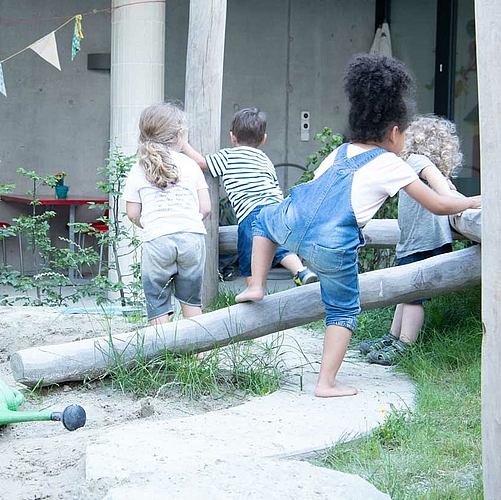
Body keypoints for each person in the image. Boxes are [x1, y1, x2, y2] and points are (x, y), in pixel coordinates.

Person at [234, 53, 481, 397]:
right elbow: (438, 204)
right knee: (342, 309)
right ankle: (326, 382)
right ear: (394, 132)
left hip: (291, 223)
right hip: (332, 243)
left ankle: (256, 285)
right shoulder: (393, 165)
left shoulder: (342, 151)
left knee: (261, 221)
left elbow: (316, 193)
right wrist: (471, 201)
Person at [358, 115, 465, 365]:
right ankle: (397, 339)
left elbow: (445, 191)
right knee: (407, 294)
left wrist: (462, 204)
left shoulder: (416, 162)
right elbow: (445, 191)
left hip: (421, 242)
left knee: (412, 295)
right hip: (420, 241)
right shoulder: (419, 162)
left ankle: (403, 343)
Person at [183, 107, 317, 287]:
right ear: (263, 139)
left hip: (252, 212)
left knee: (250, 252)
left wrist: (183, 144)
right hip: (279, 209)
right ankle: (300, 270)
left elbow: (201, 162)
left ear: (232, 137)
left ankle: (253, 289)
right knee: (279, 247)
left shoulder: (228, 156)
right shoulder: (264, 159)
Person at [123, 102, 210, 326]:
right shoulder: (190, 165)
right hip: (192, 236)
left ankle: (163, 351)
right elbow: (206, 208)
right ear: (179, 135)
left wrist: (153, 224)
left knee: (157, 300)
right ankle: (198, 352)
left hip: (158, 239)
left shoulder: (139, 167)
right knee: (192, 300)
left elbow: (132, 213)